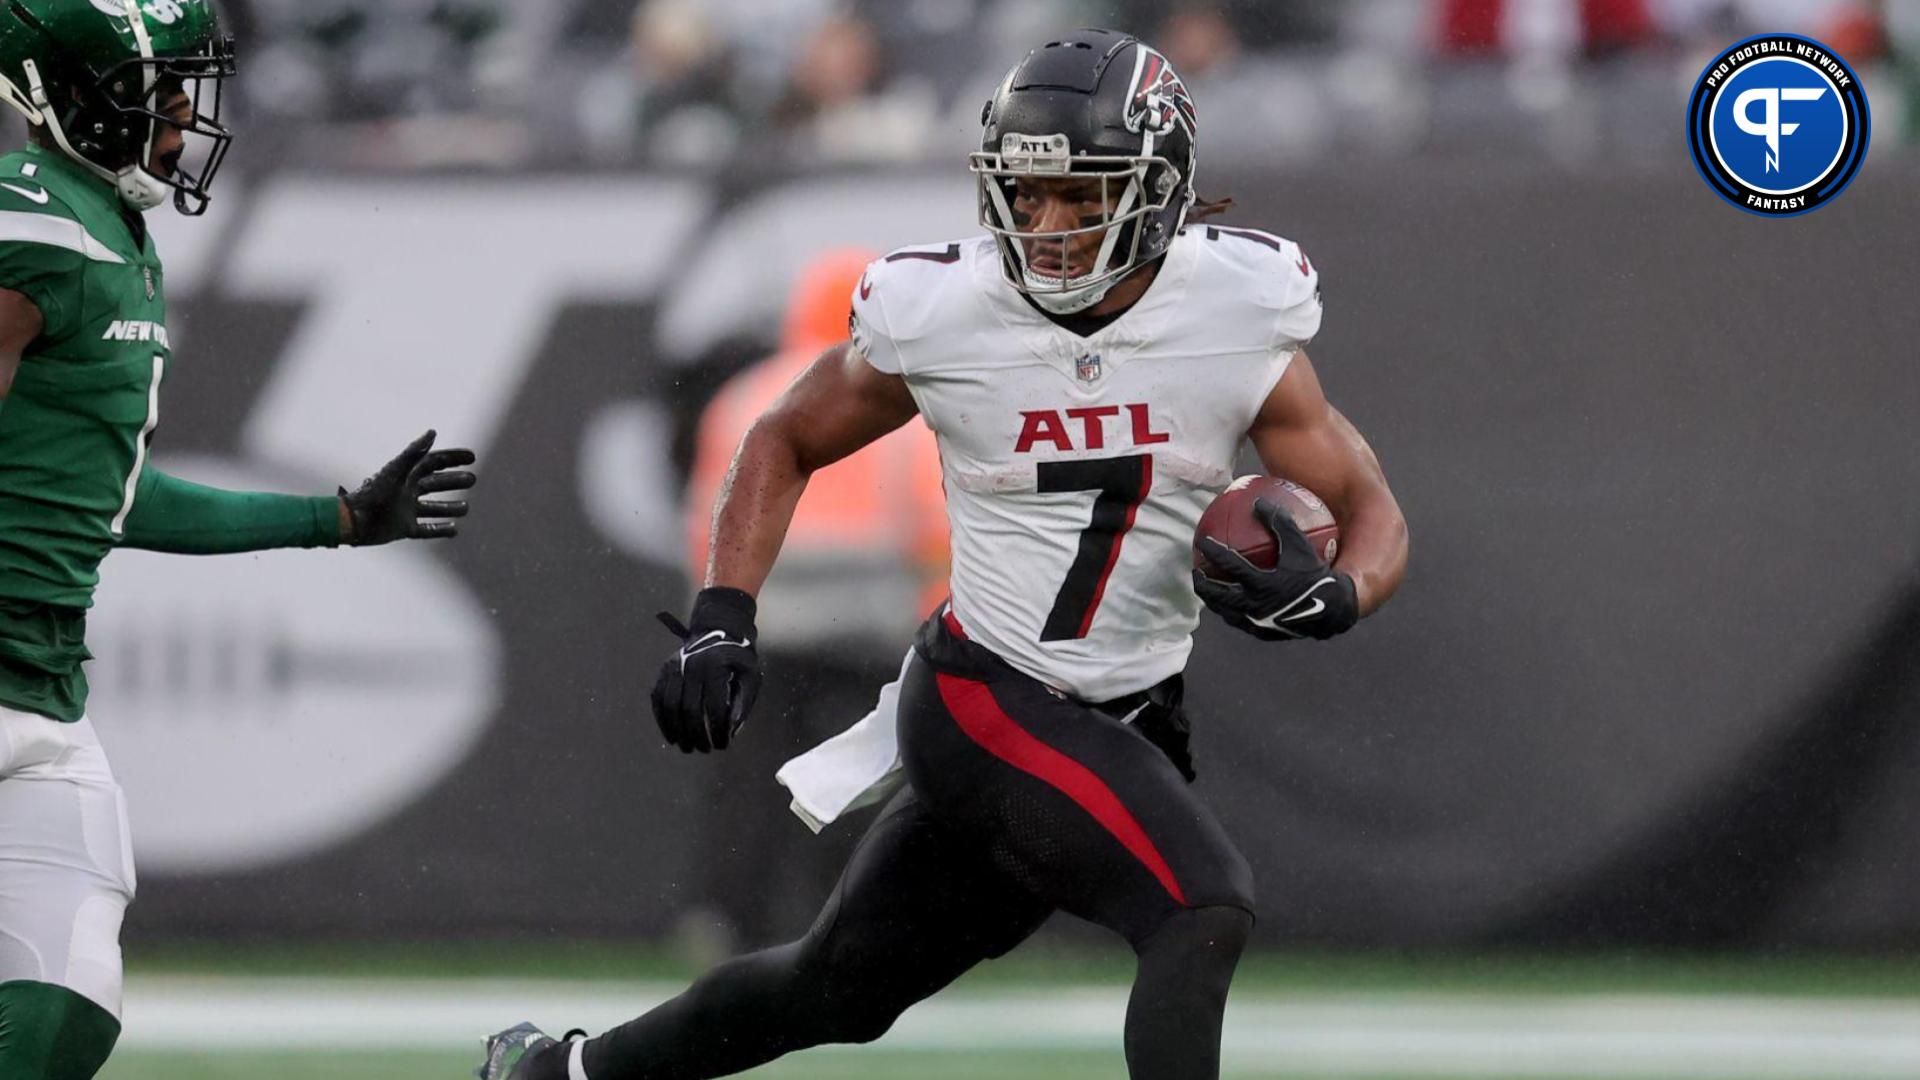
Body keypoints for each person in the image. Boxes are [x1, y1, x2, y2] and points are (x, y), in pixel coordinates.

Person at [483, 27, 1407, 1080]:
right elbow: (784, 434)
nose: (1048, 225)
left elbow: (1365, 502)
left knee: (832, 990)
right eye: (1026, 193)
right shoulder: (949, 311)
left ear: (1157, 192)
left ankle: (556, 1073)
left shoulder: (1234, 310)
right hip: (991, 699)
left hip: (1130, 711)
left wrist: (1341, 592)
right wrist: (724, 612)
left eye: (1083, 194)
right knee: (1200, 906)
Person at [0, 4, 477, 1078]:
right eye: (155, 94)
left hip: (37, 687)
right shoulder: (27, 220)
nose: (180, 123)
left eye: (184, 92)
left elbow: (105, 495)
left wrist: (334, 521)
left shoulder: (106, 232)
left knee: (65, 1006)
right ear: (66, 96)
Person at [680, 247, 946, 949]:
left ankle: (728, 922)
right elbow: (938, 526)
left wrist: (711, 618)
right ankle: (857, 920)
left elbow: (710, 517)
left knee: (750, 783)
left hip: (767, 617)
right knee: (866, 776)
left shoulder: (743, 397)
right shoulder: (902, 407)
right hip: (869, 622)